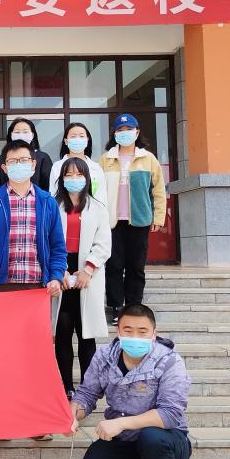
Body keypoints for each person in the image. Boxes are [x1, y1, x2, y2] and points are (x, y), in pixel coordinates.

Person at [69, 303, 191, 459]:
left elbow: (170, 413)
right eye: (128, 330)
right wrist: (72, 414)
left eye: (142, 331)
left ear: (154, 334)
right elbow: (86, 395)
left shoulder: (169, 361)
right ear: (118, 332)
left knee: (151, 438)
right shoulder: (104, 357)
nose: (135, 337)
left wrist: (121, 424)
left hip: (167, 440)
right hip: (124, 440)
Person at [0, 139, 66, 441]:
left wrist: (55, 277)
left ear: (33, 164)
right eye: (12, 162)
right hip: (2, 288)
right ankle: (2, 421)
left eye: (24, 160)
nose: (18, 166)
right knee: (2, 357)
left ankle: (35, 422)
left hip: (36, 291)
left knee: (34, 358)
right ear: (4, 167)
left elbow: (58, 247)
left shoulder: (47, 202)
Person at [99, 114, 166, 324]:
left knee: (136, 266)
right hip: (112, 222)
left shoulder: (149, 159)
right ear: (114, 134)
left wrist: (158, 216)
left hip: (139, 220)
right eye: (120, 130)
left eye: (129, 129)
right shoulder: (105, 159)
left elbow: (158, 190)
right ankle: (116, 307)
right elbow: (96, 191)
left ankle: (134, 306)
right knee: (114, 265)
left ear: (137, 132)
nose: (124, 133)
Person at [54, 158, 111, 398]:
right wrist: (59, 270)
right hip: (61, 271)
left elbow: (104, 244)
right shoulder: (52, 205)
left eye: (79, 174)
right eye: (69, 174)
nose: (74, 179)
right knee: (63, 332)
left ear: (87, 178)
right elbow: (46, 240)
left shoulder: (98, 207)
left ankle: (88, 390)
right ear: (61, 179)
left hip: (88, 274)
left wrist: (88, 270)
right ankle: (67, 386)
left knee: (86, 335)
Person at [49, 122, 107, 202]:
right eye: (73, 136)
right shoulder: (57, 166)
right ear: (66, 141)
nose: (77, 139)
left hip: (92, 209)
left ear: (87, 140)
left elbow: (102, 196)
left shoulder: (96, 167)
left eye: (81, 136)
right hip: (64, 208)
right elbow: (53, 193)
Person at [0, 117, 52, 191]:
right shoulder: (2, 158)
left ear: (32, 135)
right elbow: (0, 183)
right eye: (17, 132)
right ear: (11, 135)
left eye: (25, 132)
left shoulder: (43, 158)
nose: (21, 135)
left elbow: (48, 185)